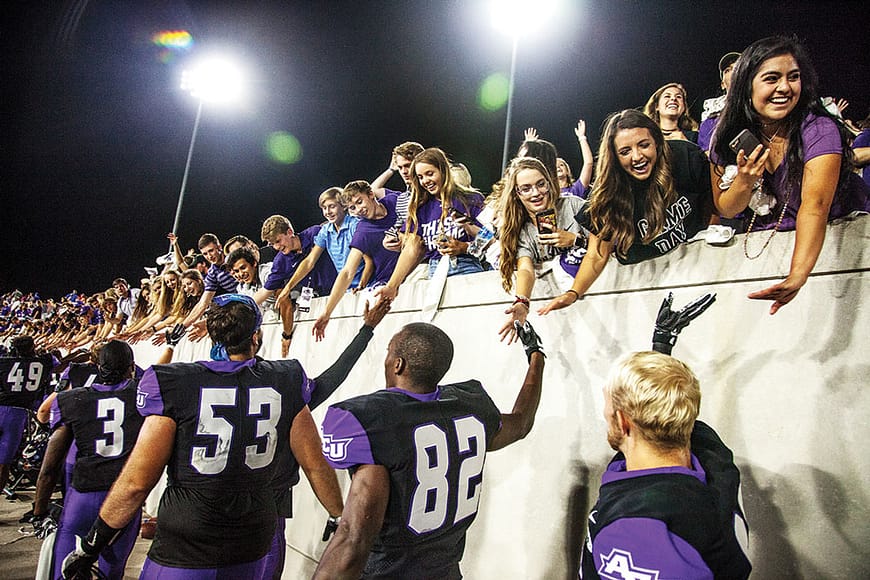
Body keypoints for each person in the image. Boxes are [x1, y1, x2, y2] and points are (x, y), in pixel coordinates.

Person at [62, 294, 391, 578]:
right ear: (257, 336)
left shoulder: (176, 383)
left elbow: (135, 484)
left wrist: (92, 546)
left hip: (188, 540)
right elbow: (316, 463)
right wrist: (340, 518)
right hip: (255, 536)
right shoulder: (284, 380)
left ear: (211, 334)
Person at [314, 320, 546, 579]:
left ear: (398, 364)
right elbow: (522, 421)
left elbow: (353, 540)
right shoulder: (469, 410)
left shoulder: (375, 420)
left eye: (389, 352)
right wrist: (536, 355)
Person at [710, 35, 870, 314]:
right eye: (772, 78)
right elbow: (726, 206)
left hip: (838, 248)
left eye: (793, 77)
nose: (785, 87)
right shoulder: (727, 136)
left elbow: (815, 206)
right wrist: (745, 181)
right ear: (746, 86)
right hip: (775, 250)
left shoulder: (819, 129)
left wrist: (798, 274)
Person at [581, 324, 750, 578]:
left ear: (624, 421)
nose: (604, 415)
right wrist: (660, 355)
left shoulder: (640, 530)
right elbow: (663, 411)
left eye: (607, 408)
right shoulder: (710, 453)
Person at [540, 109, 712, 315]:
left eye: (644, 145)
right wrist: (574, 293)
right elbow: (597, 254)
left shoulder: (684, 157)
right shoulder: (606, 195)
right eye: (625, 151)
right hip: (643, 283)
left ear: (656, 141)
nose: (637, 157)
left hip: (699, 266)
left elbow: (714, 207)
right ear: (614, 156)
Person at [31, 340, 143, 580]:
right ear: (131, 368)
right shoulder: (143, 397)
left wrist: (39, 511)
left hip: (83, 495)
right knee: (110, 571)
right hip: (124, 496)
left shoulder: (72, 399)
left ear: (97, 366)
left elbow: (50, 468)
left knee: (64, 570)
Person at [497, 157, 588, 341]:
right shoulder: (522, 230)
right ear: (517, 193)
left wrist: (576, 240)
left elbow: (609, 245)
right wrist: (522, 302)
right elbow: (525, 269)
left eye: (541, 184)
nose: (536, 193)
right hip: (558, 320)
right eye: (526, 188)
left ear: (549, 183)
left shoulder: (574, 206)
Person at [376, 148, 485, 300]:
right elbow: (413, 248)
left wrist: (464, 247)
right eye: (420, 177)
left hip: (467, 267)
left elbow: (491, 241)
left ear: (443, 170)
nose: (425, 181)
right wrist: (391, 286)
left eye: (430, 173)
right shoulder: (420, 208)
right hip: (435, 272)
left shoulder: (471, 199)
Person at [312, 180, 400, 341]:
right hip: (388, 284)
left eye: (359, 202)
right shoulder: (363, 229)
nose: (359, 209)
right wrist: (327, 312)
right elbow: (347, 272)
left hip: (416, 270)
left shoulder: (395, 201)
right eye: (352, 207)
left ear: (371, 194)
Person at [256, 215, 338, 357]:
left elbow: (310, 262)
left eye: (278, 241)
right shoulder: (280, 261)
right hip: (315, 305)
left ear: (289, 232)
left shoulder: (316, 233)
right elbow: (265, 291)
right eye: (272, 244)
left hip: (341, 293)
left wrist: (288, 288)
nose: (276, 247)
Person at [275, 188, 364, 312]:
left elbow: (369, 260)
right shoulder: (325, 231)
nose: (328, 212)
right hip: (345, 291)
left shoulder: (357, 225)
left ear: (343, 206)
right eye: (324, 208)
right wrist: (288, 288)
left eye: (332, 206)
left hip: (366, 287)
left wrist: (363, 284)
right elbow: (309, 261)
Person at [0, 336, 54, 496]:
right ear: (33, 347)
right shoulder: (44, 362)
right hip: (17, 413)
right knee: (4, 463)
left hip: (2, 406)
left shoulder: (4, 362)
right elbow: (62, 363)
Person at [698, 52, 741, 154]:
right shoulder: (710, 122)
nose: (734, 71)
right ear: (723, 84)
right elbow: (711, 159)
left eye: (739, 67)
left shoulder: (767, 108)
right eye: (727, 70)